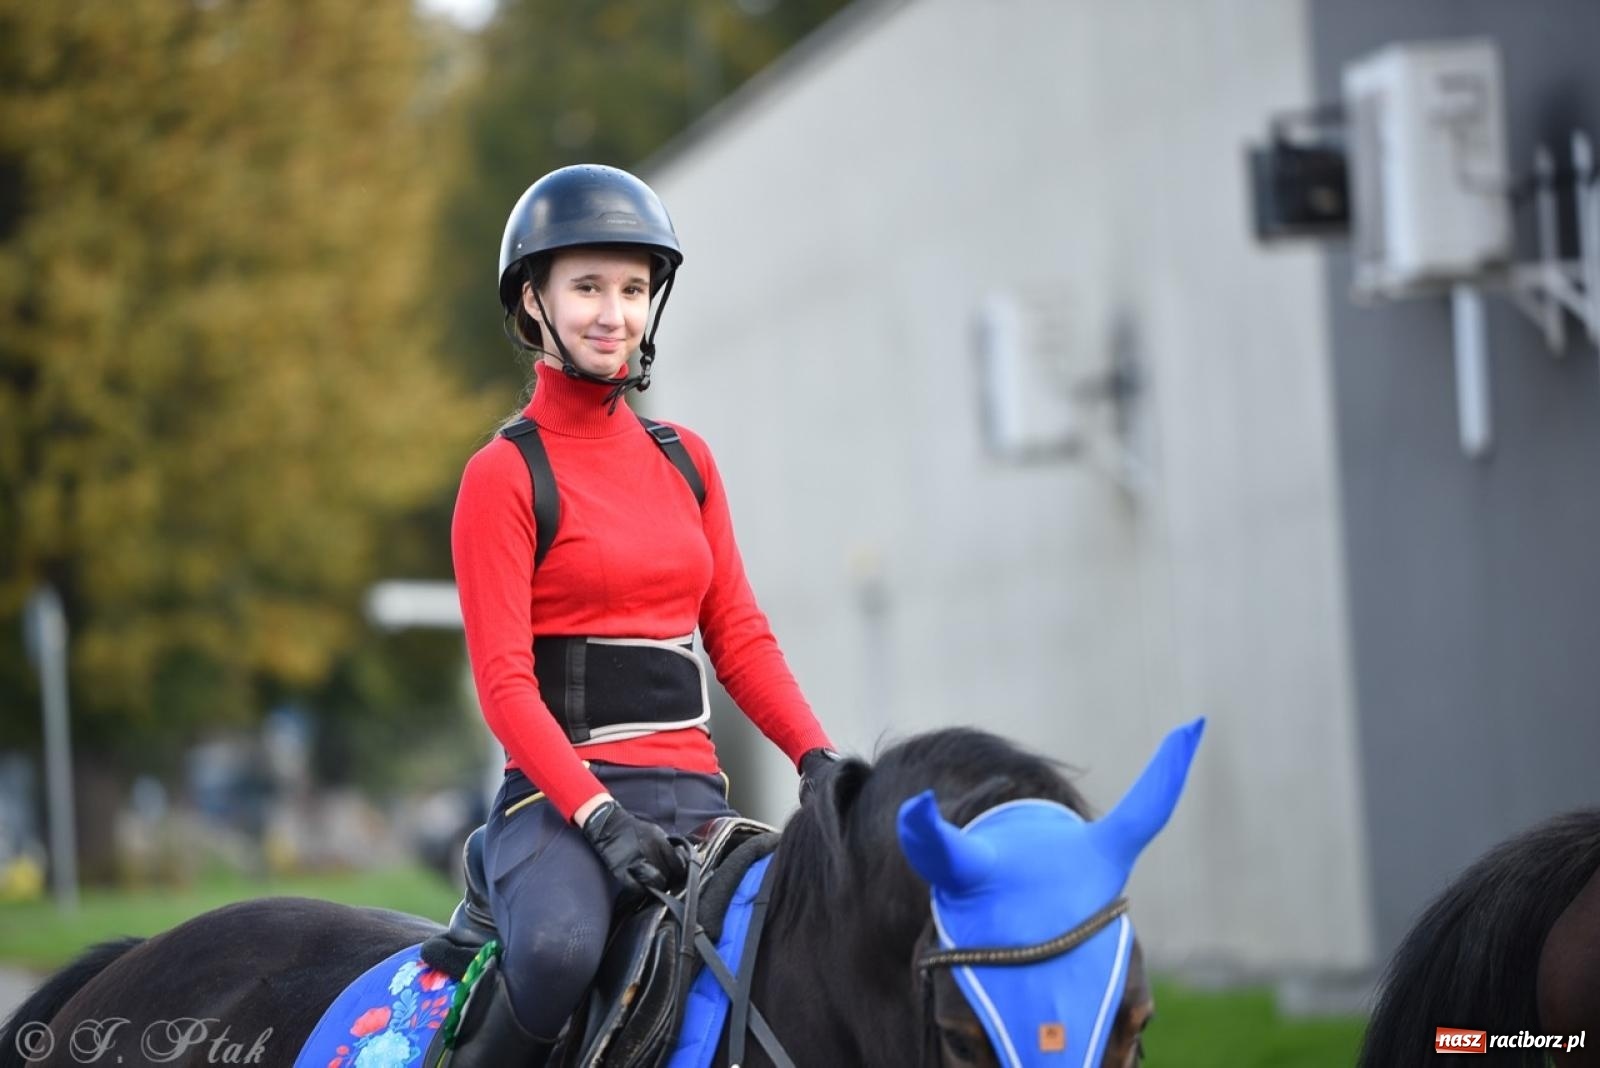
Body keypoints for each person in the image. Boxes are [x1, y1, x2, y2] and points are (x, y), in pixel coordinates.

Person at [448, 163, 840, 1067]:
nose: (612, 313)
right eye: (586, 286)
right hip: (556, 808)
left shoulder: (687, 461)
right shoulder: (502, 475)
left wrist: (817, 758)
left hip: (696, 803)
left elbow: (739, 637)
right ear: (534, 302)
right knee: (557, 954)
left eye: (632, 289)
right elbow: (506, 688)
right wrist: (595, 816)